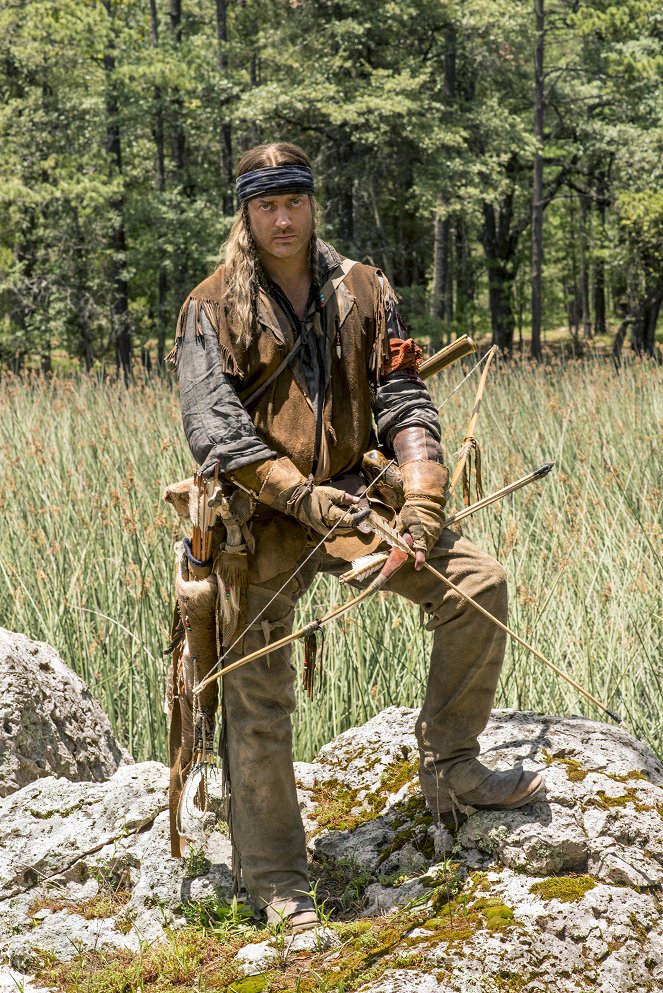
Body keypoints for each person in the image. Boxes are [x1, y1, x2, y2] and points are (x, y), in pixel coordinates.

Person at [172, 141, 543, 931]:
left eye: (293, 202)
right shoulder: (211, 305)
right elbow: (218, 436)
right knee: (257, 694)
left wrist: (421, 504)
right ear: (245, 212)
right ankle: (277, 881)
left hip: (350, 497)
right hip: (259, 517)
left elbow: (404, 396)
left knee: (476, 582)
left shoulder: (363, 287)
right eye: (266, 205)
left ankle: (449, 766)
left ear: (313, 203)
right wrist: (297, 498)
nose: (282, 218)